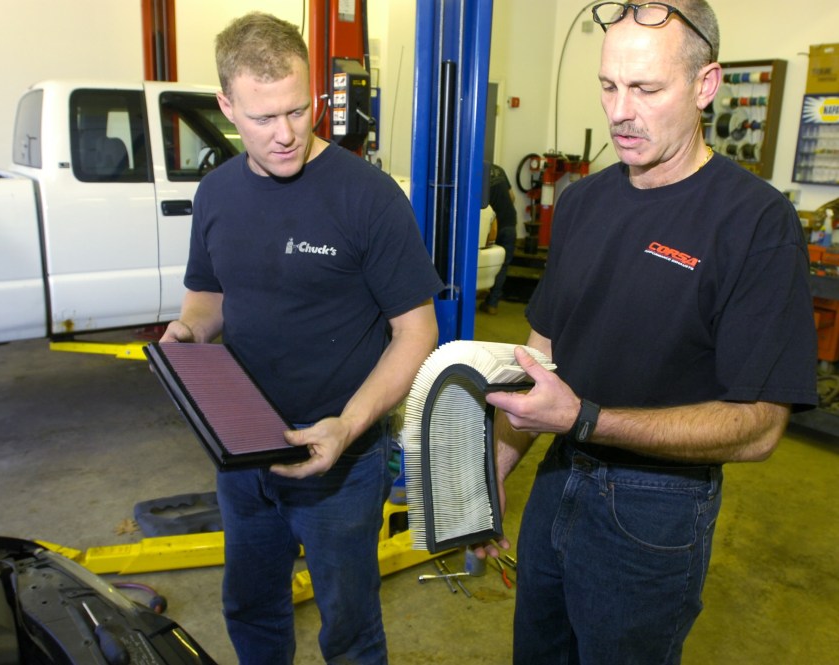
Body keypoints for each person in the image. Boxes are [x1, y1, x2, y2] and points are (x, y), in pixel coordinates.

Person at [478, 2, 819, 663]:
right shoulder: (580, 202)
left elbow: (757, 427)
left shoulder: (754, 222)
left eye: (645, 89)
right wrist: (491, 473)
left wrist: (584, 417)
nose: (618, 112)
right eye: (608, 85)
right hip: (555, 481)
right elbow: (541, 354)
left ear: (705, 85)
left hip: (655, 508)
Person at [159, 12, 443, 664]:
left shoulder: (366, 197)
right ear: (227, 104)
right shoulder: (216, 194)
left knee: (348, 627)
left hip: (340, 464)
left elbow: (415, 330)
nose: (285, 134)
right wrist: (187, 332)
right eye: (262, 119)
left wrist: (346, 426)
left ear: (313, 91)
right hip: (242, 458)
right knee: (250, 605)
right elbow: (208, 298)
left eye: (297, 109)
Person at [479, 163, 518, 315]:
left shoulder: (474, 173)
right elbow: (512, 197)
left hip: (492, 226)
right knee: (503, 265)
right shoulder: (498, 169)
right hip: (509, 222)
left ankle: (480, 293)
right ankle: (492, 304)